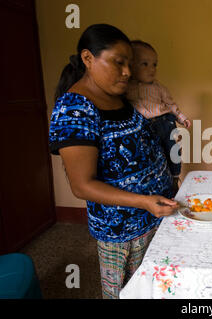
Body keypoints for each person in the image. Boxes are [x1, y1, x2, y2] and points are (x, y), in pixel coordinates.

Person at [48, 24, 179, 299]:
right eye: (118, 63)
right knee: (127, 292)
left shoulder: (121, 98)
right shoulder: (74, 109)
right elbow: (82, 186)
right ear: (87, 59)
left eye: (129, 64)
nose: (128, 72)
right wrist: (143, 201)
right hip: (124, 230)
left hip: (157, 214)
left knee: (156, 288)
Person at [126, 40, 191, 192]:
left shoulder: (159, 87)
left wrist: (182, 118)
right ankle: (155, 182)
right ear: (131, 65)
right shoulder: (126, 87)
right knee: (151, 156)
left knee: (173, 151)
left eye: (154, 64)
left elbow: (171, 105)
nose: (152, 69)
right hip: (143, 126)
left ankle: (175, 177)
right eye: (145, 64)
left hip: (165, 123)